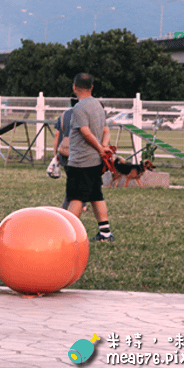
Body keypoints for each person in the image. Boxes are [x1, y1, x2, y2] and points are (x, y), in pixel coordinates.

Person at [65, 73, 115, 242]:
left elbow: (85, 133)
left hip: (81, 161)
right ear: (92, 87)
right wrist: (104, 147)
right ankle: (106, 233)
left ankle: (68, 235)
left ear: (74, 87)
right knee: (96, 195)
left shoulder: (79, 107)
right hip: (95, 161)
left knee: (76, 197)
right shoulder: (98, 105)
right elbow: (106, 131)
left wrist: (100, 148)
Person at [53, 97, 87, 211]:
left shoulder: (63, 115)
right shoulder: (84, 115)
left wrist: (55, 153)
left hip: (65, 152)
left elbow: (57, 135)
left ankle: (79, 203)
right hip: (80, 151)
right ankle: (71, 205)